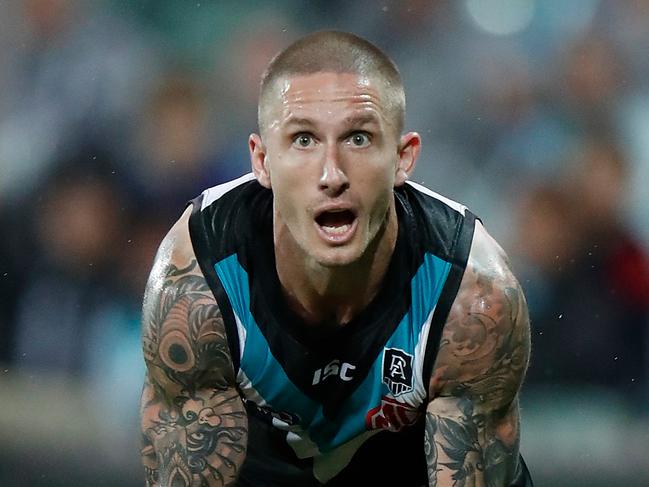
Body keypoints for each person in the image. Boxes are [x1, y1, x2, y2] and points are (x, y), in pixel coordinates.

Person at [139, 31, 533, 487]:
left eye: (359, 138)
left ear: (403, 158)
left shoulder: (473, 300)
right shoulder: (195, 290)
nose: (332, 175)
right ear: (262, 161)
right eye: (304, 139)